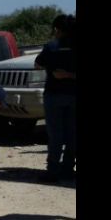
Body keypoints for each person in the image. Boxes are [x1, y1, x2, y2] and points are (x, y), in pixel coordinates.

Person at [34, 14, 76, 182]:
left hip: (54, 94)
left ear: (57, 29)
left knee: (55, 134)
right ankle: (68, 169)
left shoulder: (52, 46)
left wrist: (56, 70)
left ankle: (53, 170)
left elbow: (38, 64)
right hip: (74, 95)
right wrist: (70, 75)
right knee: (73, 134)